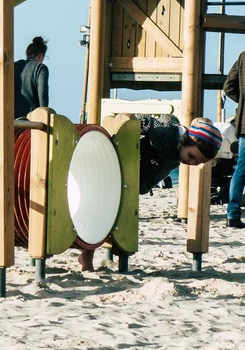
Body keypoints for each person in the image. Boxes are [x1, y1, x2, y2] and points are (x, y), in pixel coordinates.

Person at [78, 115, 223, 272]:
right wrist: (129, 131)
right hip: (118, 172)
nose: (192, 163)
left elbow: (170, 120)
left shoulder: (178, 148)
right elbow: (148, 122)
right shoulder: (167, 136)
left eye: (198, 162)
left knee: (115, 219)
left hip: (131, 184)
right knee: (102, 214)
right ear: (185, 141)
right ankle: (87, 255)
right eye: (192, 156)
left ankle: (93, 254)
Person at [224, 51, 245, 228]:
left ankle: (233, 215)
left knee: (241, 170)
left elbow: (229, 87)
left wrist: (243, 101)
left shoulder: (243, 57)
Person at [13, 36, 49, 119]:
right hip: (30, 118)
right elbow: (42, 92)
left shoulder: (14, 65)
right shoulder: (41, 68)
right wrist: (44, 115)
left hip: (11, 117)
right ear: (40, 55)